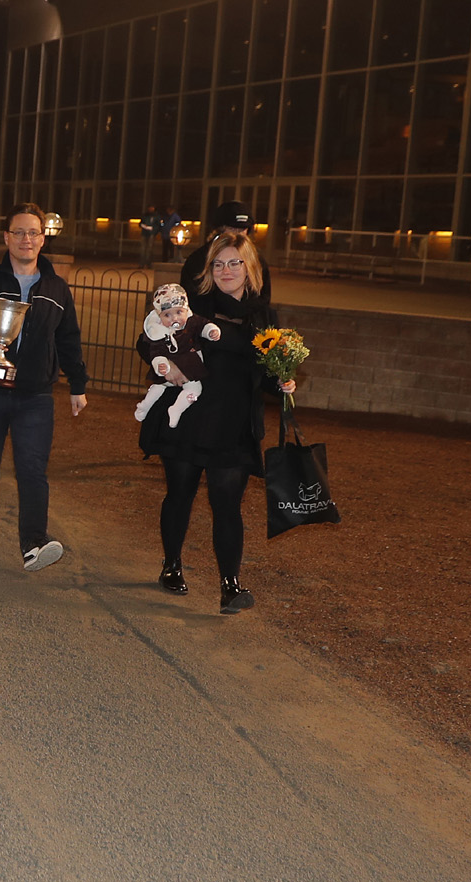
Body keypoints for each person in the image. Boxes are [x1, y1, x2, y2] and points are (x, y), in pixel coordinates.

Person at [136, 231, 295, 614]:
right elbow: (147, 340)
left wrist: (281, 382)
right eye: (218, 264)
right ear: (209, 269)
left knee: (227, 504)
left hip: (234, 423)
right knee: (180, 494)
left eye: (234, 262)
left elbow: (264, 373)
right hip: (189, 416)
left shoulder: (264, 317)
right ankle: (171, 565)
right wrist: (166, 366)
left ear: (250, 267)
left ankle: (230, 585)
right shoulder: (192, 306)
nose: (226, 270)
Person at [0, 203, 88, 571]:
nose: (26, 239)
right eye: (19, 232)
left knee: (32, 469)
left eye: (33, 232)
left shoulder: (57, 288)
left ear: (43, 239)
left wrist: (78, 384)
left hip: (36, 394)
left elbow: (69, 339)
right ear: (6, 237)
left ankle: (33, 541)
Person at [134, 283, 221, 428]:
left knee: (193, 391)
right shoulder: (158, 332)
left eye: (179, 312)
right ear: (159, 316)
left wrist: (211, 331)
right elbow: (155, 352)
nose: (174, 318)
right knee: (157, 388)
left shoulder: (192, 322)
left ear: (186, 310)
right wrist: (161, 364)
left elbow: (203, 325)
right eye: (167, 315)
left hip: (189, 367)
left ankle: (177, 409)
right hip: (169, 370)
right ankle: (144, 406)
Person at [180, 200, 271, 304]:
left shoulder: (258, 260)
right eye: (232, 229)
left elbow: (263, 296)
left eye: (242, 230)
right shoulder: (199, 259)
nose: (237, 234)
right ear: (220, 230)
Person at [138, 204, 162, 269]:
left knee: (149, 249)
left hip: (151, 233)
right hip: (144, 233)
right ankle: (142, 263)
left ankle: (148, 263)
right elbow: (140, 223)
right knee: (143, 249)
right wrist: (143, 226)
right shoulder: (145, 215)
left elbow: (159, 225)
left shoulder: (156, 216)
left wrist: (154, 230)